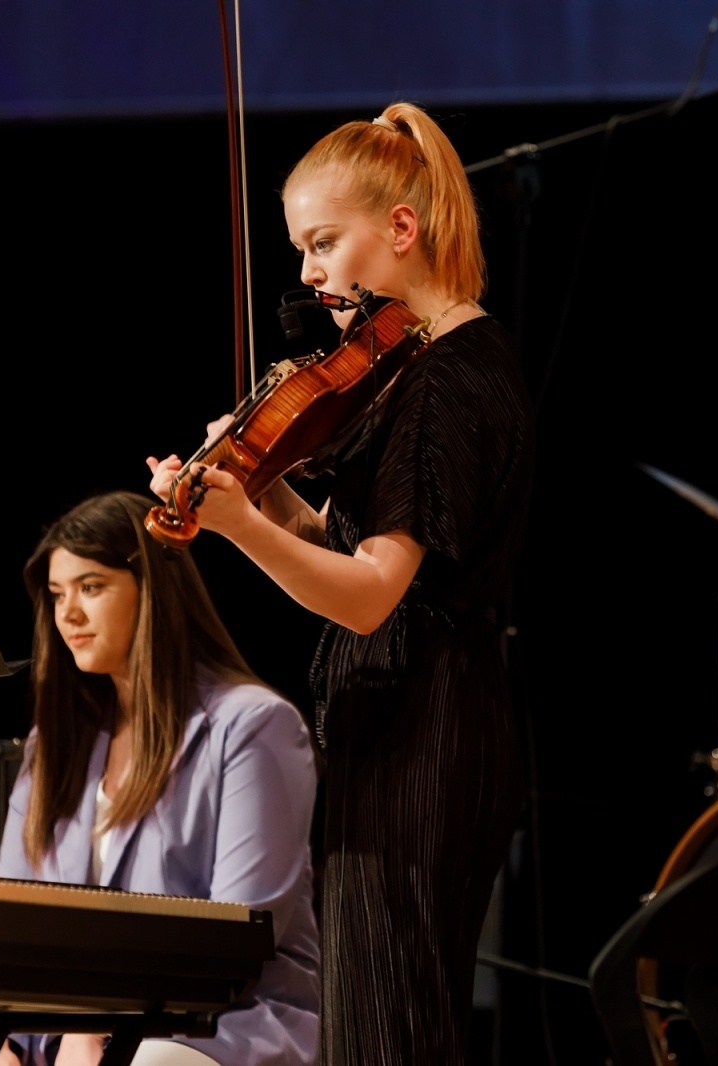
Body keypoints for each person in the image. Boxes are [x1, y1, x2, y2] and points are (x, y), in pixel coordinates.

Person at [147, 102, 533, 1064]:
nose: (310, 273)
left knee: (389, 1034)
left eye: (324, 243)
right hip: (412, 716)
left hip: (424, 723)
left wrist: (239, 526)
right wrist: (256, 494)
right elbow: (345, 543)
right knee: (379, 1024)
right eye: (301, 250)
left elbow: (369, 594)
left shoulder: (445, 378)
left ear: (401, 228)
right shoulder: (418, 367)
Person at [0, 491, 320, 1066]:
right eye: (57, 594)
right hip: (62, 1035)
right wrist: (0, 1043)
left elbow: (231, 943)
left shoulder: (253, 725)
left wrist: (92, 1028)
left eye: (91, 587)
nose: (68, 614)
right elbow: (10, 929)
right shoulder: (54, 743)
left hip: (219, 1031)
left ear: (151, 591)